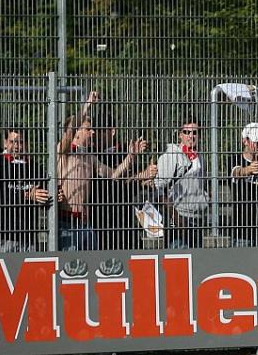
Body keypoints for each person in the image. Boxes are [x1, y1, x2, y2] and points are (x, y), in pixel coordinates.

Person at [58, 91, 147, 250]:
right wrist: (87, 105)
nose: (92, 132)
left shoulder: (89, 156)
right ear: (76, 132)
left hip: (85, 224)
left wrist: (130, 156)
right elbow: (69, 131)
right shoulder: (63, 152)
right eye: (88, 128)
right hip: (67, 224)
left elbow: (113, 174)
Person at [92, 113, 158, 250]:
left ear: (112, 131)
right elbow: (111, 179)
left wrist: (147, 177)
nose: (97, 135)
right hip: (99, 216)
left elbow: (132, 182)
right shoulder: (91, 154)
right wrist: (141, 175)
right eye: (95, 131)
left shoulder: (123, 150)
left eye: (102, 131)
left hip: (123, 216)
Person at [0, 128, 58, 252]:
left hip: (29, 237)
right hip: (3, 236)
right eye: (12, 141)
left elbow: (45, 196)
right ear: (5, 143)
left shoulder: (35, 168)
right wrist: (27, 195)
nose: (16, 146)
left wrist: (54, 195)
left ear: (26, 144)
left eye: (20, 142)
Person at [154, 120, 209, 249]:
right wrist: (175, 215)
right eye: (187, 132)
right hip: (178, 219)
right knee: (177, 260)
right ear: (180, 135)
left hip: (197, 218)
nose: (191, 136)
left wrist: (206, 198)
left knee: (196, 264)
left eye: (195, 132)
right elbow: (158, 188)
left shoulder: (200, 156)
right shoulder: (171, 155)